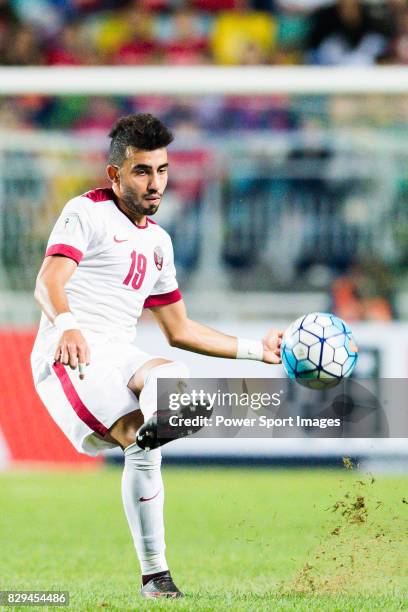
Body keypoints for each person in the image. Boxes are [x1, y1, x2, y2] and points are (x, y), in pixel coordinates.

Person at [30, 113, 283, 599]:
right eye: (142, 171)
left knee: (176, 376)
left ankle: (161, 426)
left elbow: (179, 329)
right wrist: (67, 325)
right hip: (70, 358)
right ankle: (155, 572)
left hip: (121, 353)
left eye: (162, 170)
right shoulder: (86, 211)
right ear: (115, 174)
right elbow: (49, 281)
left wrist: (257, 351)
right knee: (139, 444)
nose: (155, 182)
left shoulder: (159, 242)